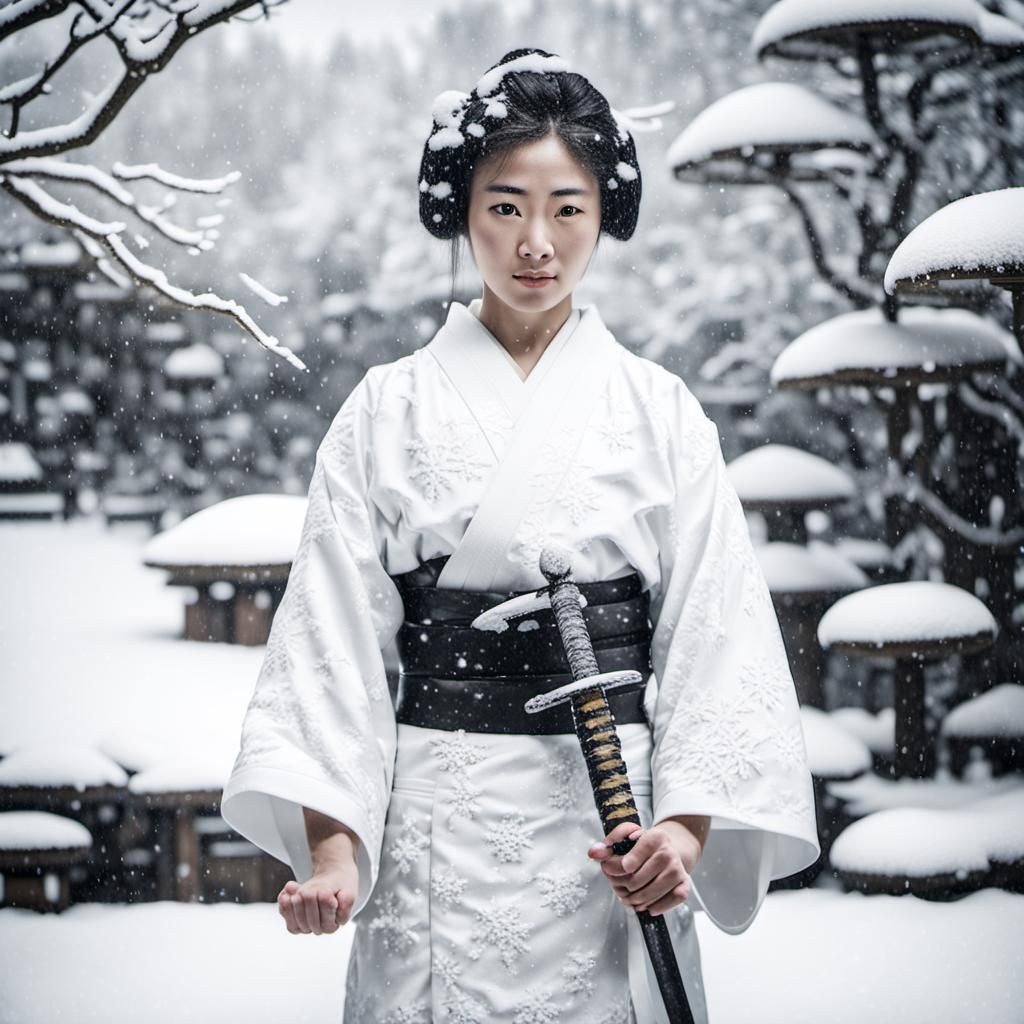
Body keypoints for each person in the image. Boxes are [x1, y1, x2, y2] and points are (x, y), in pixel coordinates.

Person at [220, 47, 820, 1024]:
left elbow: (720, 635)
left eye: (566, 208)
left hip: (609, 816)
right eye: (505, 205)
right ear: (461, 208)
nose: (535, 240)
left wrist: (685, 824)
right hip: (437, 825)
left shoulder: (659, 412)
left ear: (603, 214)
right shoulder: (387, 410)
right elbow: (331, 643)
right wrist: (332, 844)